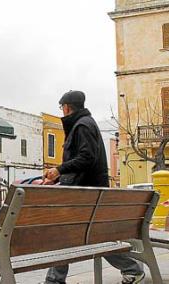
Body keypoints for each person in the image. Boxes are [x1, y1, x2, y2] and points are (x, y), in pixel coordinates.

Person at [43, 90, 145, 284]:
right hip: (90, 193)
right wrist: (57, 177)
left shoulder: (82, 126)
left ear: (66, 107)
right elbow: (82, 163)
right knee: (89, 238)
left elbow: (86, 158)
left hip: (85, 195)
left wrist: (58, 170)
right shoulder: (85, 124)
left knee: (66, 235)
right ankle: (132, 268)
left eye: (61, 108)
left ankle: (54, 281)